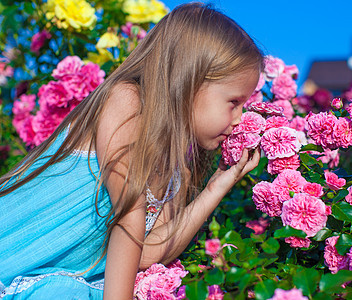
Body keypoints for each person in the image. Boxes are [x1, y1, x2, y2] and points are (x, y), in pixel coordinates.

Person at [0, 3, 263, 299]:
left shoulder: (174, 168)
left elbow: (147, 252)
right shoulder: (127, 101)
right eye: (234, 102)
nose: (240, 117)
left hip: (51, 279)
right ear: (192, 81)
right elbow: (128, 217)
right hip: (11, 257)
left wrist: (217, 185)